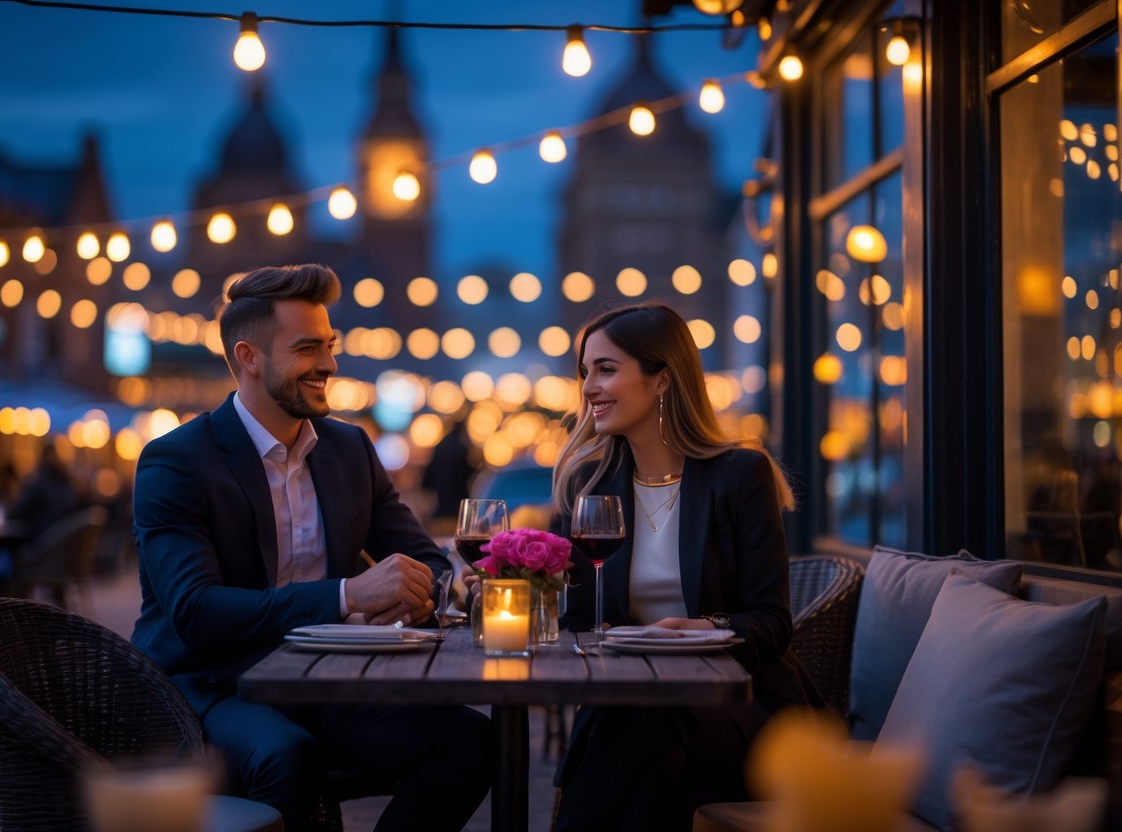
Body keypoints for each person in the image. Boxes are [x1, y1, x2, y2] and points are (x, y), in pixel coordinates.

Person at [130, 263, 491, 832]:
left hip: (331, 681)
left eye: (329, 345)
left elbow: (425, 560)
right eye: (307, 349)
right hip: (217, 686)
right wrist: (348, 594)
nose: (328, 364)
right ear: (248, 357)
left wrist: (420, 594)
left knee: (471, 739)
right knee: (289, 757)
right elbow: (197, 613)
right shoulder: (177, 461)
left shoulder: (348, 449)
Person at [550, 303, 824, 832]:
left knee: (640, 728)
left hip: (748, 709)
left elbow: (772, 622)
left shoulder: (741, 476)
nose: (587, 388)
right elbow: (577, 625)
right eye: (585, 372)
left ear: (662, 380)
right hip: (633, 708)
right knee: (643, 741)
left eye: (606, 369)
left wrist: (705, 628)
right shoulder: (590, 489)